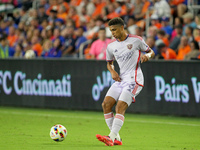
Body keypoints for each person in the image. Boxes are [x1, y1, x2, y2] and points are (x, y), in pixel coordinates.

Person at [96, 17, 155, 146]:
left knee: (120, 106)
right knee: (106, 104)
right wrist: (112, 72)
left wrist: (147, 56)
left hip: (135, 80)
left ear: (122, 28)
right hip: (121, 79)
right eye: (111, 30)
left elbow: (151, 51)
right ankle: (116, 138)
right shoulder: (111, 46)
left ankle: (110, 137)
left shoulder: (136, 40)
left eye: (114, 30)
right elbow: (109, 64)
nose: (112, 33)